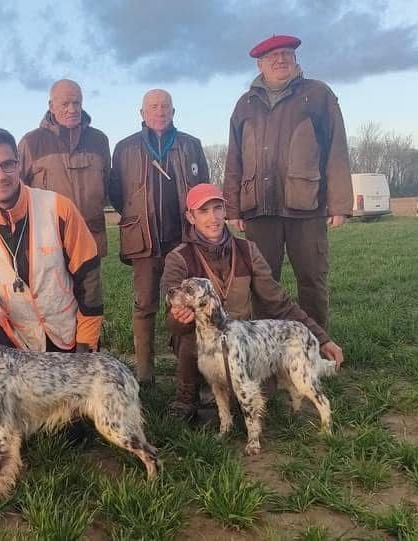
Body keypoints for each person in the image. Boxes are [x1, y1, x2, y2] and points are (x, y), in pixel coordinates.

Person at [161, 183, 344, 420]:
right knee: (189, 335)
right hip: (198, 343)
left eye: (217, 208)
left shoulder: (247, 250)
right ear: (190, 217)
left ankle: (236, 388)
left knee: (256, 400)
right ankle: (187, 397)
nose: (213, 218)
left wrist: (322, 338)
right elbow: (171, 321)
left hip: (243, 345)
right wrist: (181, 319)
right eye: (203, 211)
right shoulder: (179, 258)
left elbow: (279, 302)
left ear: (225, 210)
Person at [223, 34, 353, 330]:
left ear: (295, 59)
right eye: (272, 56)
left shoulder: (319, 95)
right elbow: (234, 159)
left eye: (286, 54)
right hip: (259, 209)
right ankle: (268, 350)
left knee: (312, 281)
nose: (280, 59)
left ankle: (318, 347)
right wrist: (233, 208)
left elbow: (337, 150)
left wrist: (340, 204)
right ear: (260, 64)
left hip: (307, 206)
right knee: (263, 283)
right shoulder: (245, 104)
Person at [0, 127, 103, 354]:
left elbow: (89, 279)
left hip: (67, 335)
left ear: (19, 163)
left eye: (8, 164)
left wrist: (86, 343)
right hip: (14, 341)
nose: (1, 176)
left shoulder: (59, 207)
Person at [108, 89, 210, 384]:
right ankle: (144, 372)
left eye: (165, 106)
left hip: (184, 241)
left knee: (188, 303)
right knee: (144, 305)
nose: (160, 111)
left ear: (173, 111)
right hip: (144, 241)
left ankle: (189, 367)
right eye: (153, 106)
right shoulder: (125, 148)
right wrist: (138, 216)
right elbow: (117, 193)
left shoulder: (191, 145)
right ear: (142, 113)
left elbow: (202, 191)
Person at [18, 79, 111, 258]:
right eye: (65, 104)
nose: (72, 109)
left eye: (77, 103)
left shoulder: (100, 140)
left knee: (90, 286)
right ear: (51, 106)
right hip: (47, 242)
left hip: (91, 238)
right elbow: (18, 190)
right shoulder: (31, 142)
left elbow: (106, 184)